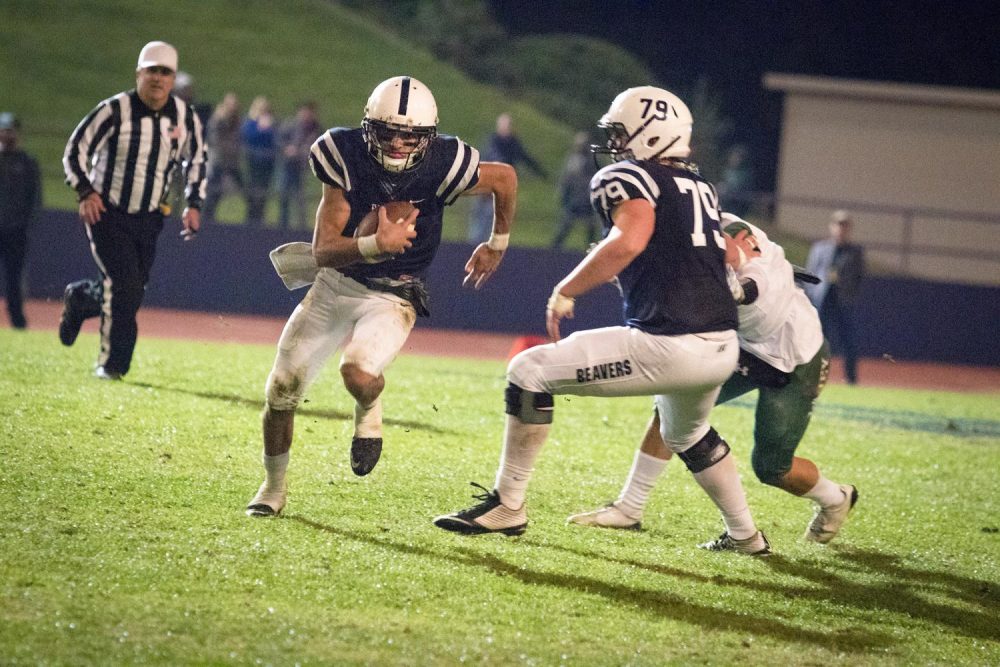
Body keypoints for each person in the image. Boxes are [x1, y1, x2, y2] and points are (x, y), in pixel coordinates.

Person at [434, 86, 770, 556]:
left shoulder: (630, 177)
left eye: (620, 132)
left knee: (527, 371)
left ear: (650, 135)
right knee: (687, 433)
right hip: (721, 344)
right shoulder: (701, 187)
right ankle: (747, 537)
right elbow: (708, 254)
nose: (614, 143)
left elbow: (631, 240)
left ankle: (507, 507)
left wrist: (566, 289)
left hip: (671, 344)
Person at [246, 76, 517, 517]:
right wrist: (374, 244)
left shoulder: (444, 163)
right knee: (280, 391)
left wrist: (496, 243)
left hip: (395, 292)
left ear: (427, 137)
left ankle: (370, 408)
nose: (396, 142)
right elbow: (323, 250)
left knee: (357, 372)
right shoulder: (343, 153)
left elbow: (505, 179)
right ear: (368, 126)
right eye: (387, 131)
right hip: (336, 283)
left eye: (408, 134)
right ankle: (273, 489)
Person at [568, 215, 859, 545]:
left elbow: (740, 264)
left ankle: (836, 498)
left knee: (772, 467)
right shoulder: (699, 223)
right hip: (743, 344)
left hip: (794, 356)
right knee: (670, 406)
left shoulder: (712, 240)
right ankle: (630, 508)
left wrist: (733, 290)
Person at [60, 41, 206, 380]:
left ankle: (83, 298)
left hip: (150, 217)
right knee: (125, 285)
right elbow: (74, 151)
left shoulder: (185, 117)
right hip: (107, 211)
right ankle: (112, 365)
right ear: (139, 73)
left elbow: (196, 160)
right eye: (151, 70)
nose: (158, 78)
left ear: (173, 79)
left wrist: (194, 204)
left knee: (132, 288)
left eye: (165, 72)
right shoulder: (114, 110)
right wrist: (85, 191)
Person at [805, 210, 865, 384]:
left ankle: (851, 378)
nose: (841, 229)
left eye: (845, 225)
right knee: (817, 341)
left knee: (848, 340)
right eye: (838, 225)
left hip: (843, 301)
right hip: (821, 301)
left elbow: (859, 277)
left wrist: (851, 296)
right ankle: (813, 376)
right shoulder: (820, 248)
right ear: (832, 227)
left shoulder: (855, 251)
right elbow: (811, 273)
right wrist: (811, 296)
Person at [466, 112, 546, 243]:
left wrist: (540, 172)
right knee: (481, 217)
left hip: (501, 187)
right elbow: (488, 156)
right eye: (504, 125)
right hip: (486, 185)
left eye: (508, 125)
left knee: (494, 216)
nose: (506, 128)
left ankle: (487, 244)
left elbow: (524, 157)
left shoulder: (513, 143)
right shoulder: (493, 141)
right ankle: (473, 243)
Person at [0, 112, 42, 329]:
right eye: (4, 130)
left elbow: (35, 198)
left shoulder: (27, 163)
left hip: (16, 231)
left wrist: (27, 225)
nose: (7, 134)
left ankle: (17, 321)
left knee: (14, 279)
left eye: (10, 130)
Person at [550, 131, 601, 250]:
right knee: (566, 223)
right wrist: (563, 192)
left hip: (586, 198)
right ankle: (554, 249)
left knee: (590, 226)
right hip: (575, 198)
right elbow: (567, 178)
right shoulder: (573, 159)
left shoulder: (591, 160)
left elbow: (595, 177)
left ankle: (592, 250)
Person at [277, 101, 322, 229]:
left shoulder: (316, 128)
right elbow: (279, 141)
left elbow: (318, 144)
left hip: (302, 167)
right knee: (284, 194)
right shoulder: (289, 125)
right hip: (288, 166)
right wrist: (287, 149)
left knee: (300, 197)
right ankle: (282, 224)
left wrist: (303, 150)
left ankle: (301, 225)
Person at [202, 93, 245, 223]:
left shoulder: (236, 121)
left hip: (231, 162)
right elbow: (215, 140)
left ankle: (253, 216)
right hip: (218, 161)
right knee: (213, 192)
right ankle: (207, 219)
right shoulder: (218, 120)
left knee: (246, 190)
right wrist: (229, 147)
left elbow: (239, 139)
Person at [241, 96, 277, 227]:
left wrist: (268, 128)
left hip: (267, 164)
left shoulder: (272, 124)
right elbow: (249, 138)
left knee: (263, 193)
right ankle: (251, 218)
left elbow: (274, 140)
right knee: (253, 191)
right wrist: (261, 129)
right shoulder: (250, 123)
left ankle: (260, 218)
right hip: (254, 163)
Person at [716, 144, 754, 218]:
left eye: (737, 157)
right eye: (733, 156)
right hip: (727, 200)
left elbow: (741, 187)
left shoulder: (745, 173)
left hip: (739, 200)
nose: (734, 159)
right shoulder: (727, 170)